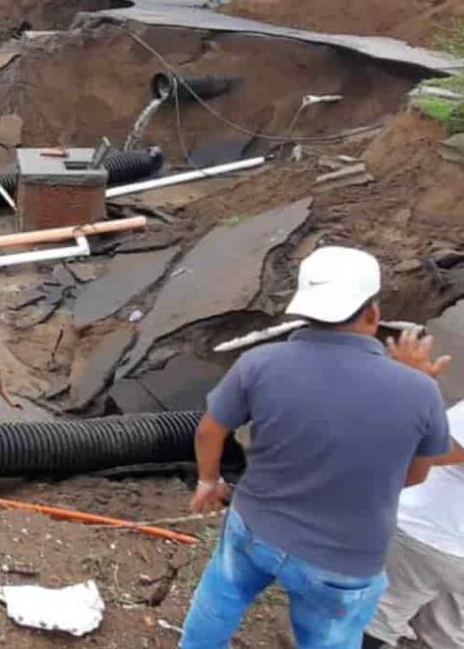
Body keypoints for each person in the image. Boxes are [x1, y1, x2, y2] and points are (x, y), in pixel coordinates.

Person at [179, 246, 451, 649]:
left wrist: (208, 480)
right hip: (343, 559)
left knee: (219, 601)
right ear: (373, 313)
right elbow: (414, 474)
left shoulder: (260, 363)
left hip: (255, 528)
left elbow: (208, 431)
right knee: (329, 637)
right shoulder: (421, 391)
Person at [363, 400, 464, 649]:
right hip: (453, 547)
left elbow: (432, 453)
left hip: (423, 533)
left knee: (374, 619)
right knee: (444, 638)